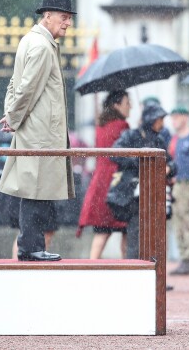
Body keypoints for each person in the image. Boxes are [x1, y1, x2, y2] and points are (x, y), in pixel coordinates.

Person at [0, 0, 76, 262]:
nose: (67, 23)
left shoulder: (30, 41)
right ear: (48, 16)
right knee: (36, 190)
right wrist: (13, 117)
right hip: (40, 131)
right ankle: (31, 247)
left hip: (33, 127)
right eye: (64, 17)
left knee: (34, 188)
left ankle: (31, 246)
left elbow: (15, 84)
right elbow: (27, 89)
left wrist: (11, 115)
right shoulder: (43, 47)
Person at [111, 104, 175, 260]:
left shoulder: (159, 140)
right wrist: (140, 160)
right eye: (160, 119)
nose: (162, 123)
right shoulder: (131, 136)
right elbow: (115, 153)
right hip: (135, 195)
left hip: (154, 194)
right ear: (151, 119)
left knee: (156, 237)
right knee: (136, 235)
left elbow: (172, 163)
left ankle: (156, 278)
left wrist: (168, 168)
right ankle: (133, 276)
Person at [77, 90, 130, 259]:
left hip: (100, 182)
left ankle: (91, 267)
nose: (130, 107)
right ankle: (129, 269)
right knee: (126, 230)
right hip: (117, 181)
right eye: (127, 103)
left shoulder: (101, 126)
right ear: (116, 105)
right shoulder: (123, 126)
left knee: (102, 231)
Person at [168, 106, 189, 275]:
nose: (174, 120)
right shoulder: (174, 139)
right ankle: (184, 256)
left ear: (186, 118)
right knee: (178, 221)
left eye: (177, 117)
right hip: (178, 184)